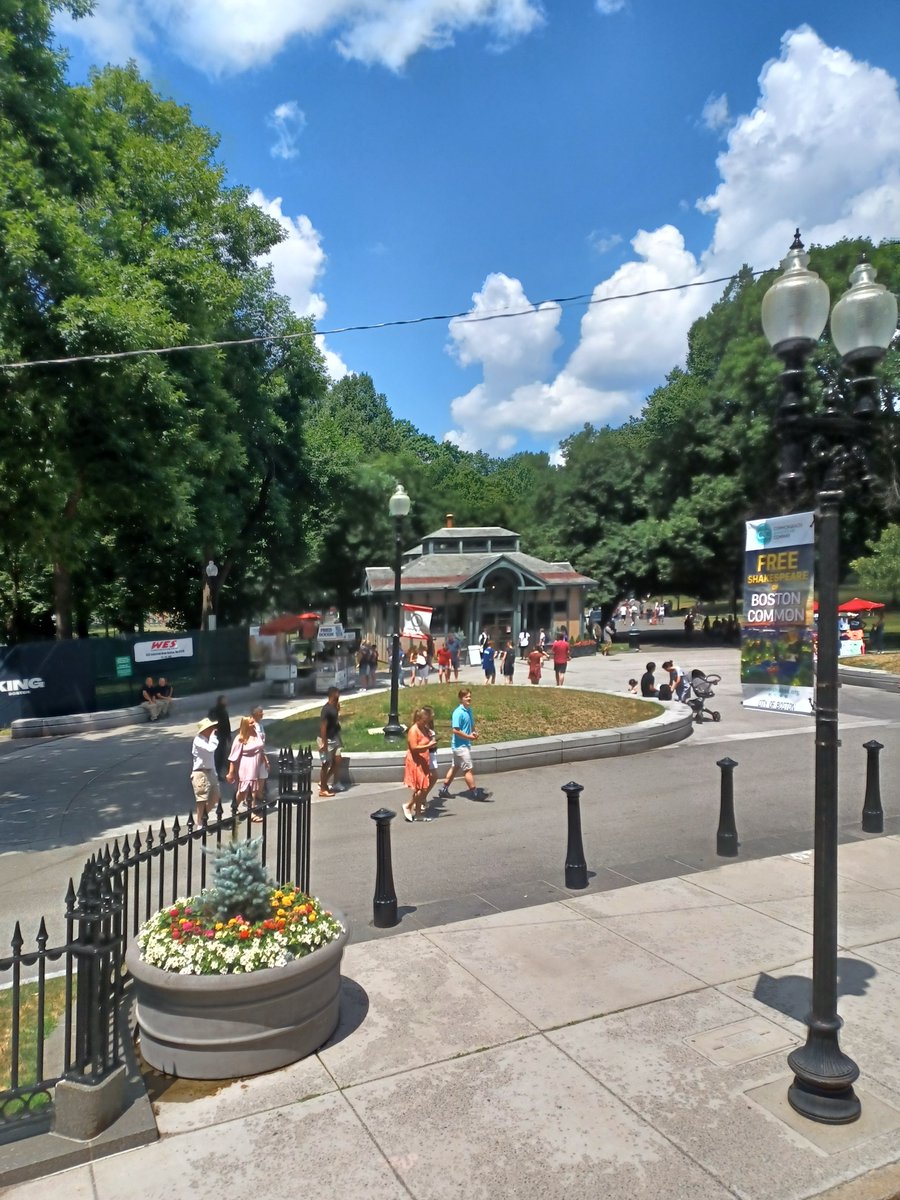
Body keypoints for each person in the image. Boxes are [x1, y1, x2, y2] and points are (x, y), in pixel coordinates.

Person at [438, 689, 486, 801]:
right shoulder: (458, 712)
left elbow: (471, 725)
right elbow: (455, 730)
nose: (469, 698)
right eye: (466, 697)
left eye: (469, 696)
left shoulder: (469, 710)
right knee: (468, 770)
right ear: (461, 699)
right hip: (460, 747)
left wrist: (474, 732)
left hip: (463, 745)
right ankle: (475, 793)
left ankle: (444, 790)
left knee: (455, 767)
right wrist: (469, 737)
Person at [226, 715, 268, 820]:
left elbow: (260, 749)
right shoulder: (240, 738)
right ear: (245, 725)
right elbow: (233, 757)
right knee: (247, 789)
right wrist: (231, 772)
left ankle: (235, 806)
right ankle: (251, 813)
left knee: (248, 789)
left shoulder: (257, 734)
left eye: (254, 722)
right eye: (251, 723)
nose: (253, 724)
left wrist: (265, 760)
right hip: (246, 766)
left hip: (256, 765)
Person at [402, 706, 439, 822]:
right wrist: (429, 746)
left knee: (422, 787)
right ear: (418, 719)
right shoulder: (413, 730)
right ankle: (408, 806)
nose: (426, 723)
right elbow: (414, 747)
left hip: (424, 760)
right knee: (421, 788)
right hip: (415, 761)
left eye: (427, 721)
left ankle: (418, 814)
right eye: (424, 721)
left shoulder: (424, 728)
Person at [190, 718, 220, 824]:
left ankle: (203, 816)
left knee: (216, 796)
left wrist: (215, 772)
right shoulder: (198, 740)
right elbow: (210, 749)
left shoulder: (209, 739)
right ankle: (199, 823)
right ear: (204, 729)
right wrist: (213, 737)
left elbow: (211, 758)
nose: (213, 729)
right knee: (201, 799)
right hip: (200, 772)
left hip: (210, 770)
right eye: (210, 728)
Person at [317, 686, 343, 797]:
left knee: (337, 760)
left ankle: (323, 781)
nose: (339, 694)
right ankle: (323, 789)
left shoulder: (335, 706)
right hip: (325, 739)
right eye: (338, 693)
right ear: (333, 694)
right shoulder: (326, 709)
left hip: (335, 738)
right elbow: (323, 726)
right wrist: (324, 743)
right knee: (325, 764)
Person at [207, 694, 231, 778]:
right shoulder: (214, 711)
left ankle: (218, 773)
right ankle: (213, 773)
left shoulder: (224, 711)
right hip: (216, 735)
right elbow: (209, 722)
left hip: (223, 735)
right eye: (224, 700)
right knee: (217, 755)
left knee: (221, 755)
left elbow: (227, 725)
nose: (226, 702)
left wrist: (228, 737)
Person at [251, 704, 269, 798]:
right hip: (255, 754)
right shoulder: (253, 726)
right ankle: (252, 796)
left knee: (262, 775)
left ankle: (259, 793)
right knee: (255, 775)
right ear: (255, 714)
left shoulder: (260, 726)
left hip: (262, 752)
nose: (262, 714)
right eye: (260, 713)